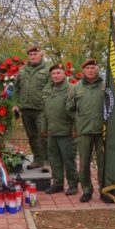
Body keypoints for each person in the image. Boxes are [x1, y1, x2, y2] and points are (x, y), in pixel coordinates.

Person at [66, 59, 105, 202]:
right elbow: (69, 108)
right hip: (84, 130)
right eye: (87, 68)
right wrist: (79, 120)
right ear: (83, 71)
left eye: (93, 67)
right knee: (84, 162)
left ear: (97, 69)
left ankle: (104, 190)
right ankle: (87, 190)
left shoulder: (105, 86)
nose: (90, 70)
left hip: (103, 130)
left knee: (103, 162)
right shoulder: (76, 88)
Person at [41, 64, 78, 195]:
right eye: (53, 74)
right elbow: (44, 110)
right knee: (54, 159)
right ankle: (58, 184)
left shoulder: (71, 89)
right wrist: (44, 127)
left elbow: (77, 112)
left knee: (68, 159)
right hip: (52, 131)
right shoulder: (47, 88)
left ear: (64, 74)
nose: (56, 76)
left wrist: (75, 129)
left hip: (66, 132)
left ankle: (73, 184)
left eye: (58, 73)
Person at [18, 46, 52, 171]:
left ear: (41, 55)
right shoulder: (22, 71)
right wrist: (16, 103)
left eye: (35, 54)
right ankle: (37, 160)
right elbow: (16, 88)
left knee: (43, 135)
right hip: (26, 109)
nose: (33, 56)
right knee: (32, 136)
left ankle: (47, 161)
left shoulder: (47, 70)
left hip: (41, 109)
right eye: (31, 54)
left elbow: (51, 89)